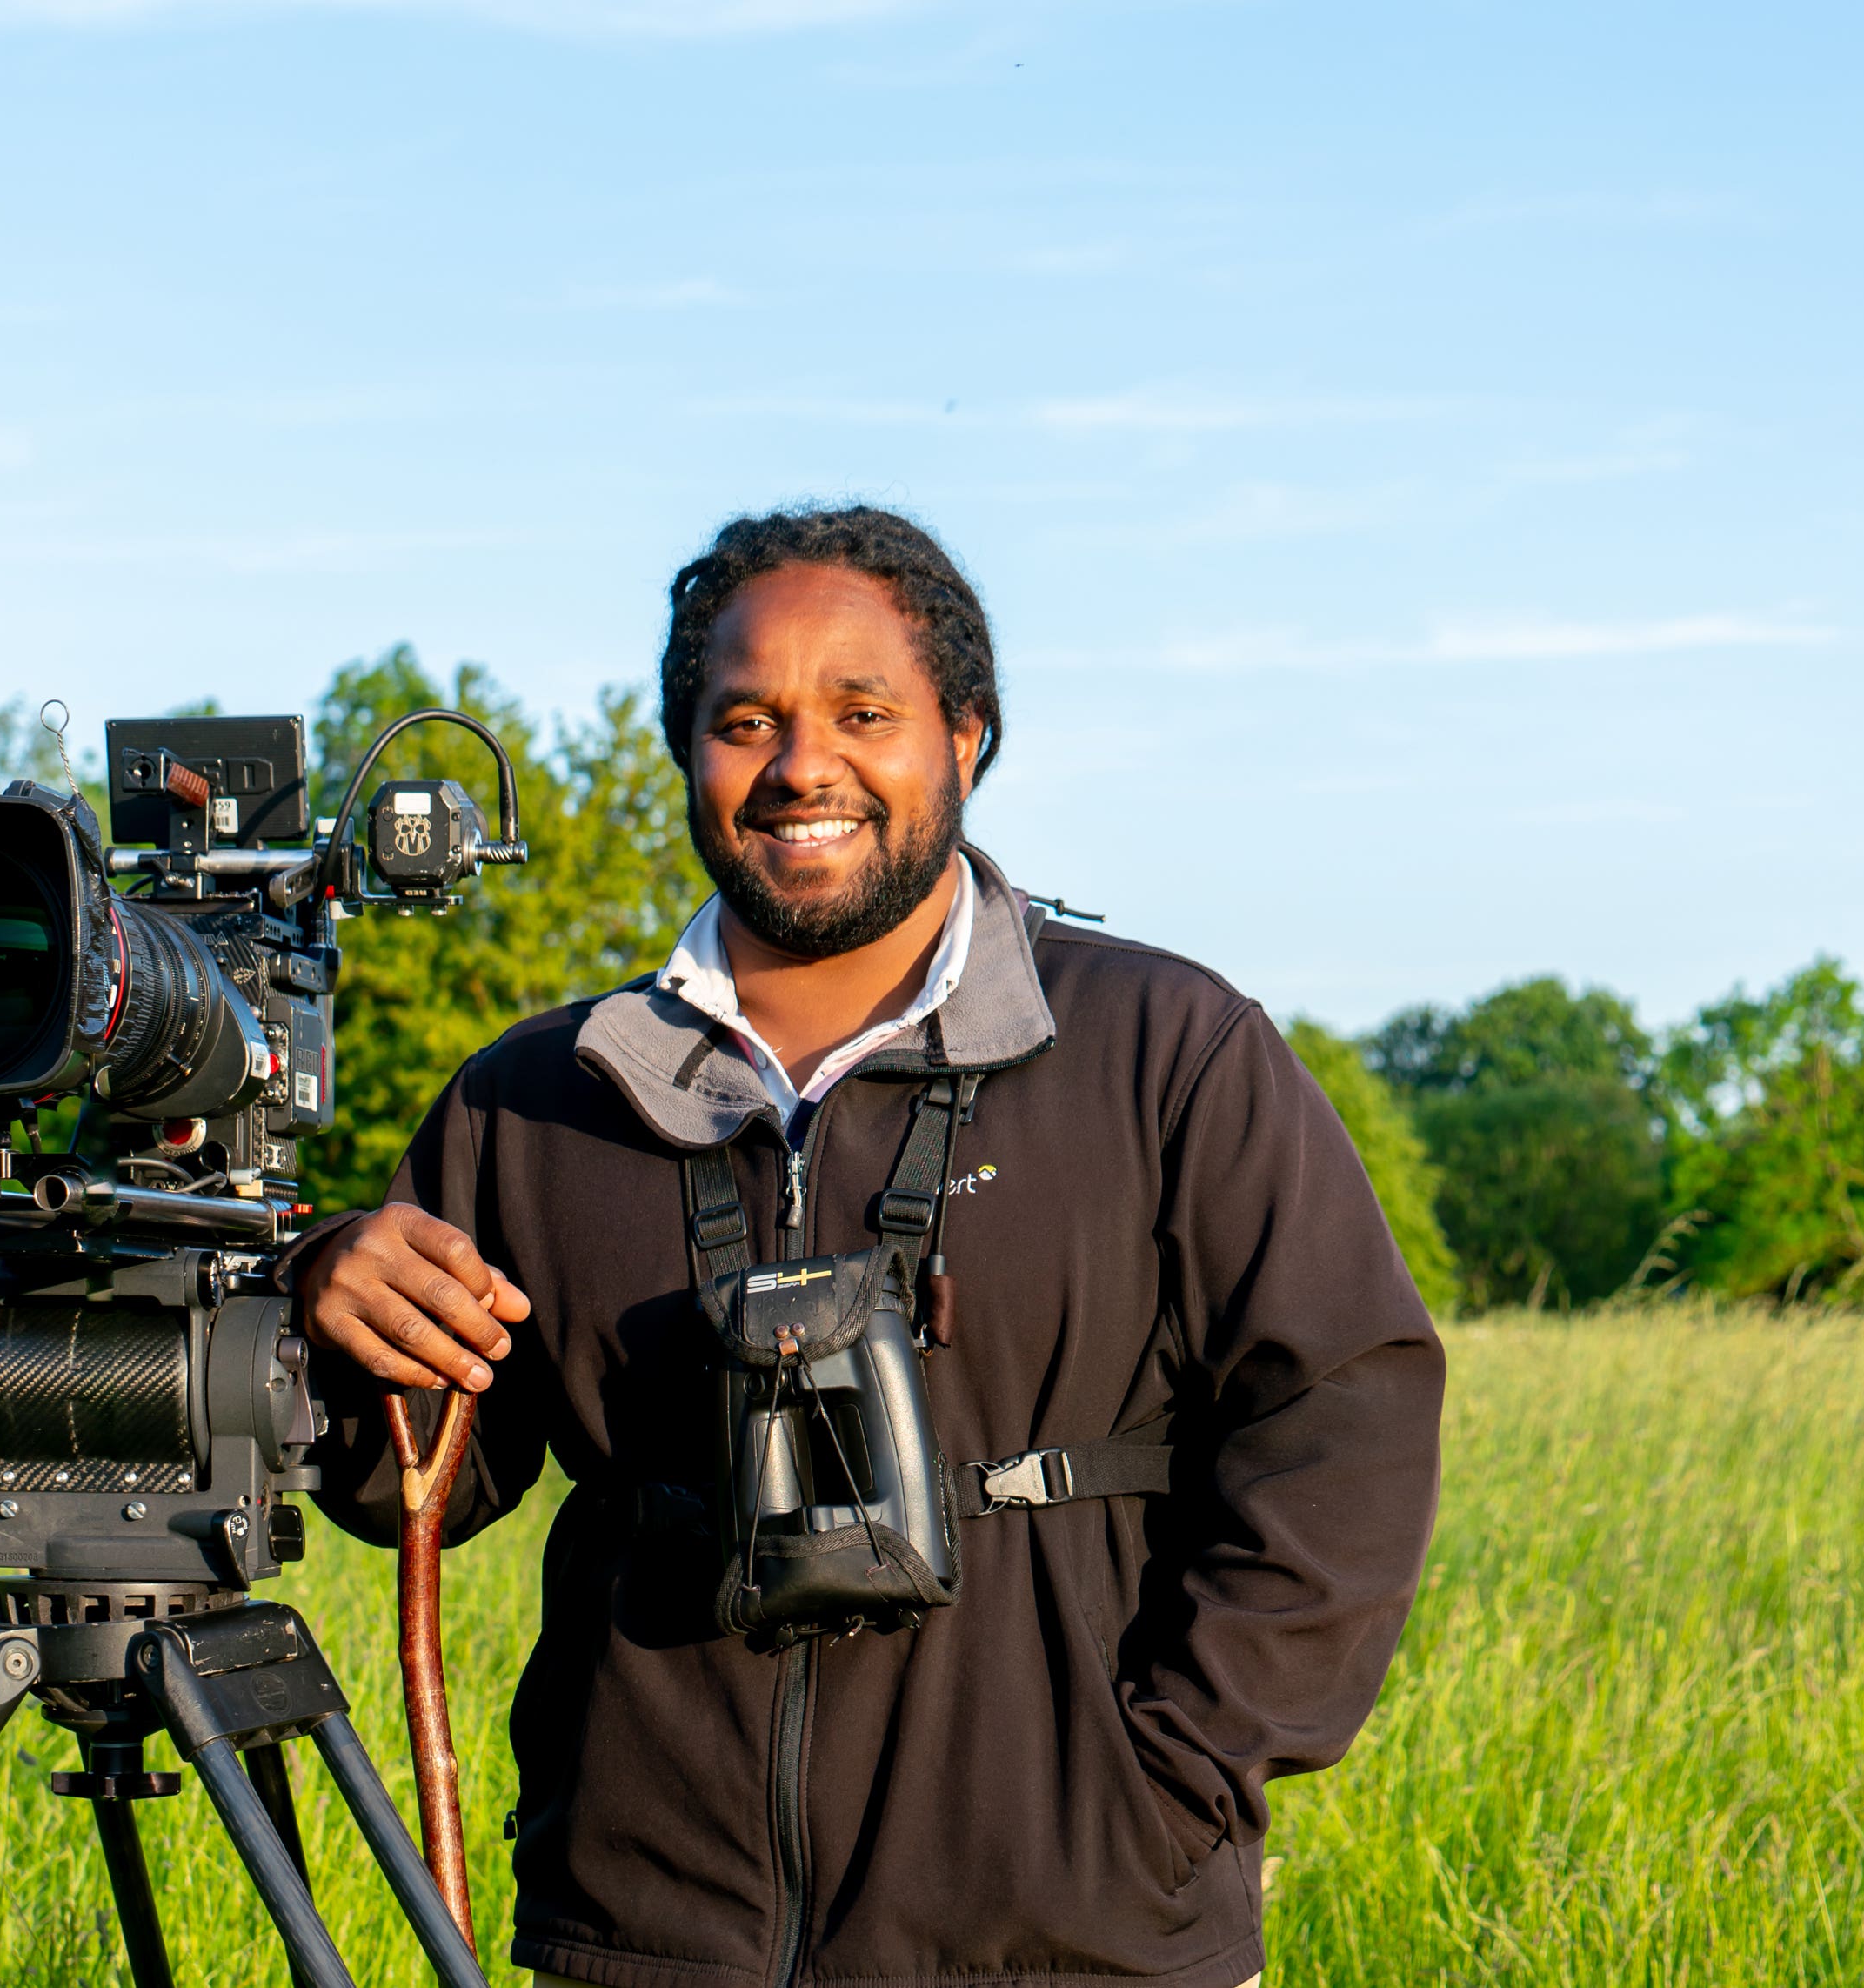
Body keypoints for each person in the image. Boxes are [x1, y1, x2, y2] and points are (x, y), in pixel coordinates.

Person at [291, 505, 1444, 1988]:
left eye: (863, 712)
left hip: (1077, 1937)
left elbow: (1343, 1408)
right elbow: (419, 1489)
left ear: (969, 736)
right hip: (652, 1937)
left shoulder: (1166, 1049)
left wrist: (1174, 1782)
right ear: (684, 750)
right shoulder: (541, 1096)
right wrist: (325, 1300)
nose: (801, 766)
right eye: (745, 718)